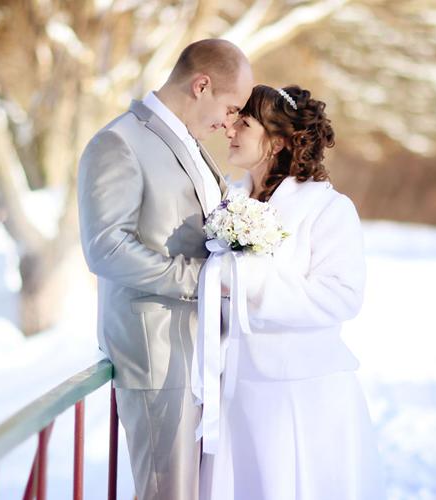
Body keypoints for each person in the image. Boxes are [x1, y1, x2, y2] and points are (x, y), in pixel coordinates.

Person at [76, 39, 253, 500]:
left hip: (200, 352)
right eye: (231, 107)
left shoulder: (189, 144)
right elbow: (105, 248)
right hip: (157, 355)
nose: (230, 123)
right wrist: (203, 281)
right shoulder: (119, 142)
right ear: (202, 85)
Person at [199, 85, 385, 499]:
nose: (229, 128)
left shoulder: (329, 209)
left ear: (279, 140)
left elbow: (341, 296)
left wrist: (249, 283)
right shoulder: (227, 202)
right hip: (234, 392)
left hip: (301, 398)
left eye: (244, 123)